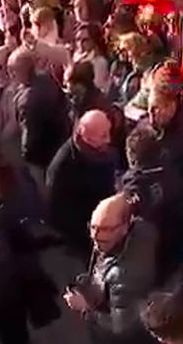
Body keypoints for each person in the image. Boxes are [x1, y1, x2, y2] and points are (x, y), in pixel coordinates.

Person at [63, 193, 158, 343]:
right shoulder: (140, 229)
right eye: (93, 227)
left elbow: (120, 328)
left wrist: (85, 307)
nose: (96, 237)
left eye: (106, 230)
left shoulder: (124, 277)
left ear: (125, 227)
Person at [46, 109, 121, 259]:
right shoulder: (62, 169)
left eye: (108, 133)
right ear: (86, 138)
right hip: (86, 235)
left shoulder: (102, 151)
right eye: (103, 136)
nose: (109, 140)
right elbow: (62, 216)